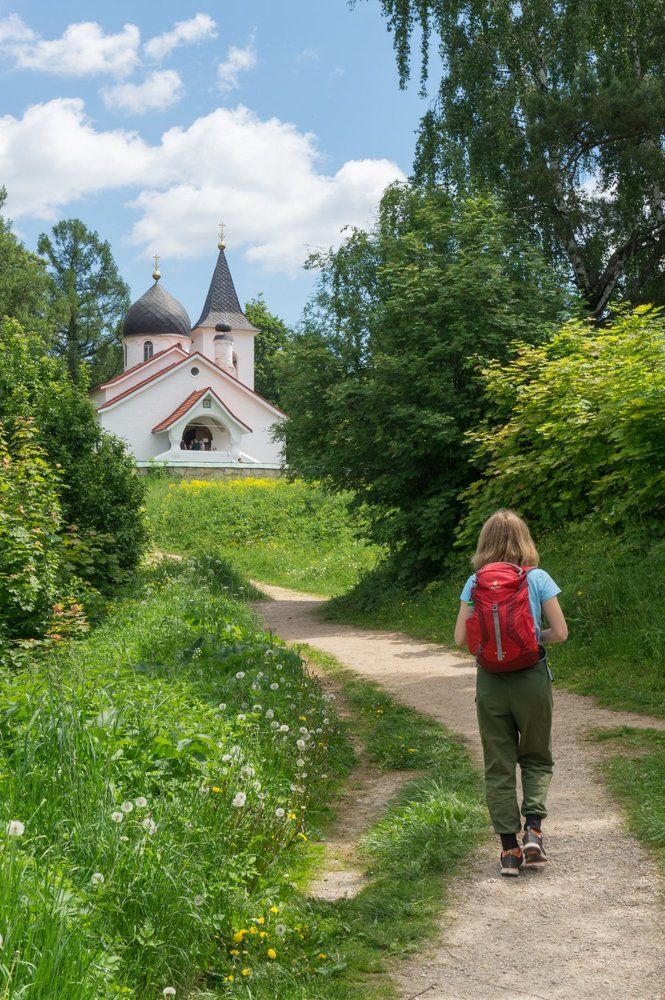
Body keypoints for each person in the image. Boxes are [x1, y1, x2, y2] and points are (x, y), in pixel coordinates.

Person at [454, 509, 568, 876]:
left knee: (498, 765)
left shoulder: (474, 582)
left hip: (490, 682)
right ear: (525, 540)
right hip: (531, 679)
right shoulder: (539, 578)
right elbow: (561, 632)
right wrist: (534, 639)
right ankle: (533, 830)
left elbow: (460, 640)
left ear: (484, 542)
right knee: (535, 756)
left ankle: (508, 852)